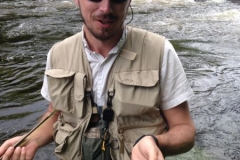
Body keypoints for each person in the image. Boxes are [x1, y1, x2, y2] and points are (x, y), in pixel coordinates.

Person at [0, 0, 196, 159]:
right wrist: (31, 140)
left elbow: (185, 131)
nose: (106, 8)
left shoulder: (160, 51)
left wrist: (155, 142)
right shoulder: (57, 54)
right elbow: (55, 114)